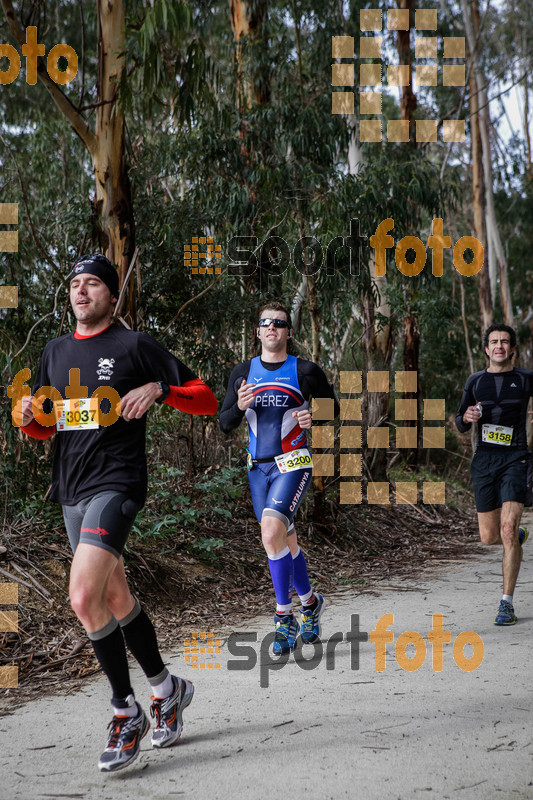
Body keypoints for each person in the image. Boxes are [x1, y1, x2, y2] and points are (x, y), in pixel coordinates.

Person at [16, 254, 217, 771]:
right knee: (114, 595)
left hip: (118, 483)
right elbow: (45, 426)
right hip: (71, 490)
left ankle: (125, 712)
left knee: (83, 596)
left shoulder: (135, 345)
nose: (81, 292)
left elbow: (208, 399)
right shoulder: (54, 351)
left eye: (92, 284)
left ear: (111, 295)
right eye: (74, 284)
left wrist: (159, 388)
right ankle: (166, 688)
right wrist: (26, 419)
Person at [220, 301, 339, 654]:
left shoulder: (305, 371)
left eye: (279, 323)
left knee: (270, 531)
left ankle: (283, 619)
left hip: (293, 462)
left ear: (289, 332)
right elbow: (225, 423)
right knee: (283, 540)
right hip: (258, 468)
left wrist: (313, 415)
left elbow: (333, 408)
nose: (272, 328)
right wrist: (239, 407)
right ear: (257, 331)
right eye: (265, 323)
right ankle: (311, 602)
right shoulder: (243, 372)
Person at [455, 323, 530, 625]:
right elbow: (459, 422)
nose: (499, 346)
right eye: (494, 342)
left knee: (508, 530)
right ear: (486, 349)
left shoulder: (526, 379)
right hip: (484, 460)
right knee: (489, 537)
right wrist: (467, 416)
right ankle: (514, 538)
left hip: (517, 457)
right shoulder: (475, 381)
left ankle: (506, 603)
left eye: (505, 342)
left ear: (512, 349)